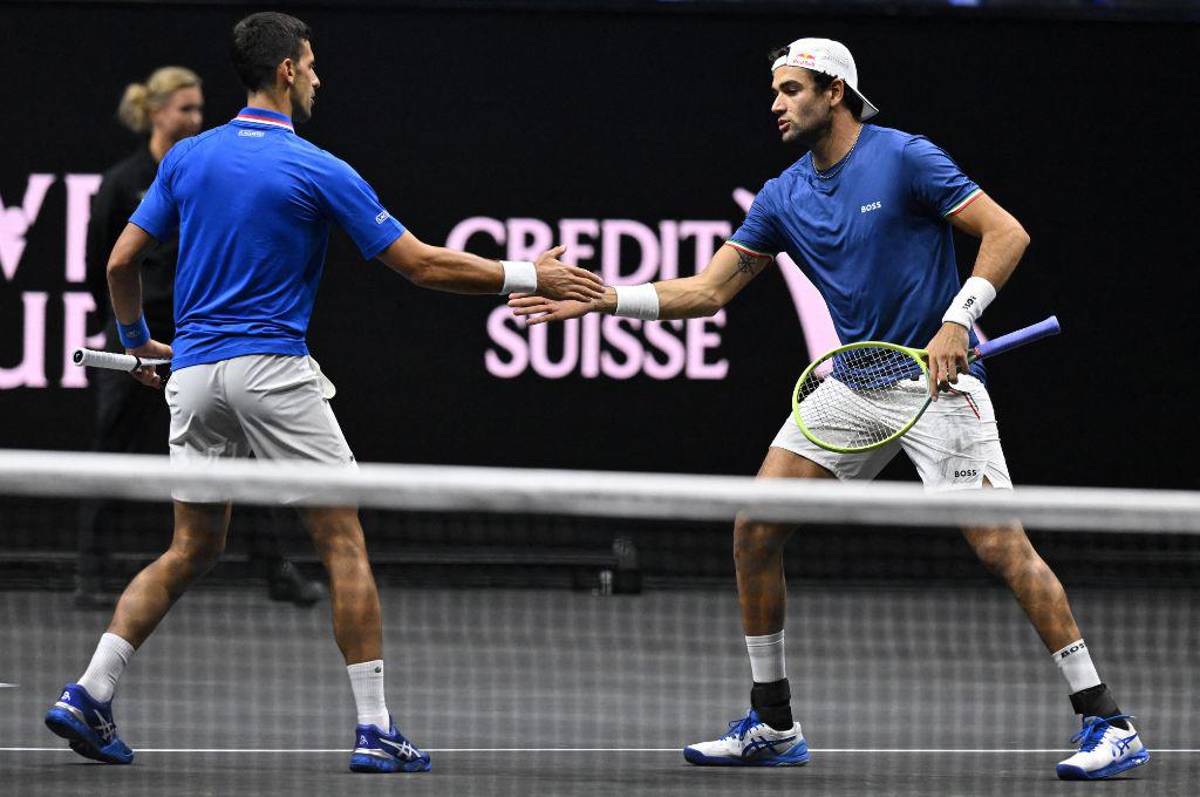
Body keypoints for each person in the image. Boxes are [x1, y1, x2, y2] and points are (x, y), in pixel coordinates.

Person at [509, 38, 1147, 781]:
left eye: (789, 90)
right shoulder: (781, 196)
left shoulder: (905, 157)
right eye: (774, 93)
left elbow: (1007, 233)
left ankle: (1109, 718)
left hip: (937, 384)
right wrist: (607, 299)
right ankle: (774, 721)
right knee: (754, 527)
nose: (775, 105)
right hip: (851, 384)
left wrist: (955, 319)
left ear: (834, 91)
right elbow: (708, 291)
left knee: (1002, 548)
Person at [44, 11, 603, 774]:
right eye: (310, 64)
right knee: (341, 541)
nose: (317, 76)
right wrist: (525, 274)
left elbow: (120, 263)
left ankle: (89, 690)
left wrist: (136, 339)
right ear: (285, 72)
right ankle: (375, 729)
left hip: (198, 376)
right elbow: (420, 265)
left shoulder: (184, 159)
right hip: (274, 371)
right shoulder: (317, 167)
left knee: (189, 546)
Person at [77, 66, 326, 610]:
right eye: (185, 109)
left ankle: (275, 569)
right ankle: (91, 574)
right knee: (111, 453)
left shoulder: (208, 169)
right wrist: (128, 339)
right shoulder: (125, 181)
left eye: (198, 108)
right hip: (138, 334)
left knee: (243, 453)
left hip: (201, 336)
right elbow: (108, 262)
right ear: (155, 112)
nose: (195, 118)